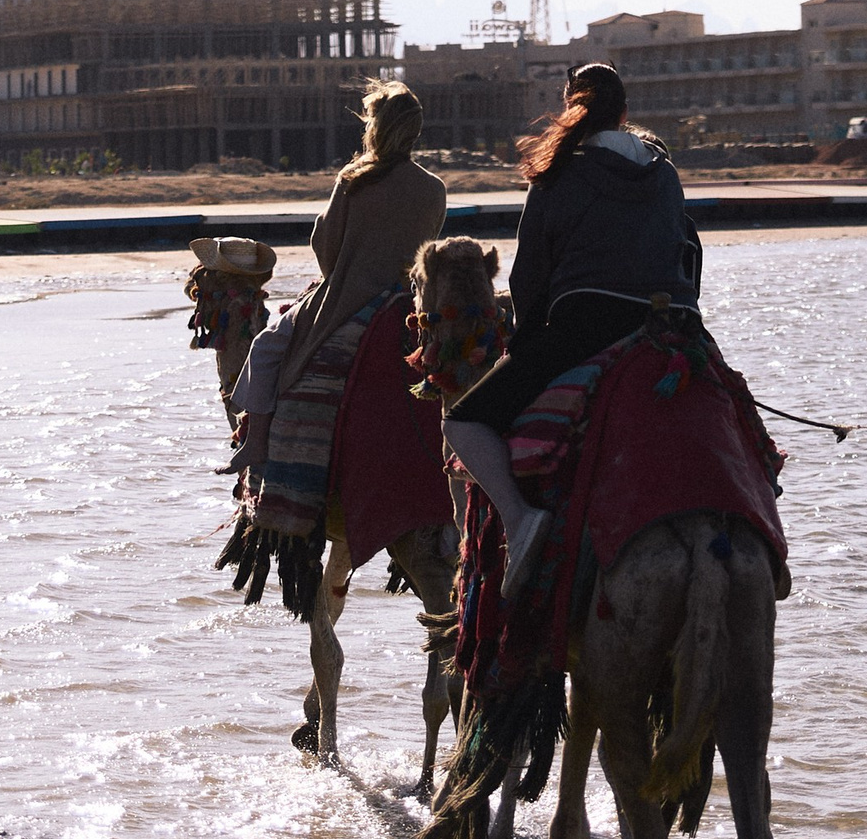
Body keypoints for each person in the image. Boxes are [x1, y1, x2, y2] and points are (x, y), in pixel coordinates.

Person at [443, 60, 702, 584]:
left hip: (588, 325)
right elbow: (690, 255)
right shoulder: (664, 169)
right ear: (625, 112)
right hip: (674, 323)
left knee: (462, 423)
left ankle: (520, 521)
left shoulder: (560, 170)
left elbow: (529, 278)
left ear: (571, 107)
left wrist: (525, 342)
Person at [236, 83, 446, 461]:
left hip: (346, 299)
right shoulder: (435, 188)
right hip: (406, 302)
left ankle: (255, 441)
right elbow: (427, 254)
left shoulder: (354, 179)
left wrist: (340, 273)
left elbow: (325, 246)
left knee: (265, 346)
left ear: (375, 128)